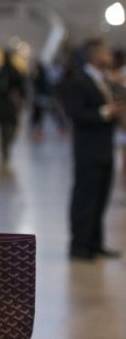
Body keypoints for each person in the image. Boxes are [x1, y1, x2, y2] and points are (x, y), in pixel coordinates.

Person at [64, 39, 122, 261]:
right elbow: (76, 114)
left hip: (104, 147)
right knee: (85, 198)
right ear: (95, 55)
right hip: (88, 149)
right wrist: (106, 112)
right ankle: (79, 245)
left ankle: (95, 243)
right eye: (106, 52)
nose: (110, 57)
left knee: (100, 197)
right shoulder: (79, 81)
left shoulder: (104, 80)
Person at [0, 50, 26, 164]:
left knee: (6, 125)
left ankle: (5, 143)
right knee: (9, 124)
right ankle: (5, 144)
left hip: (6, 102)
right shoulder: (11, 71)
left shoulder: (2, 71)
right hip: (6, 102)